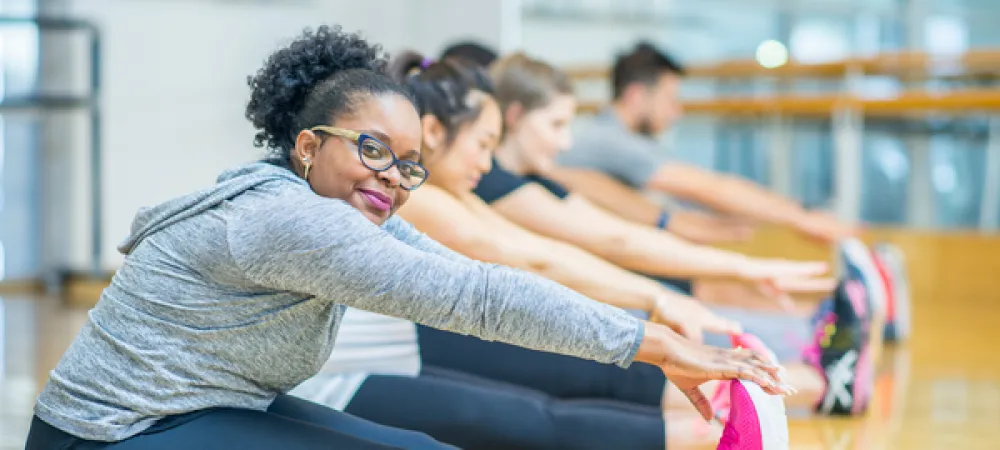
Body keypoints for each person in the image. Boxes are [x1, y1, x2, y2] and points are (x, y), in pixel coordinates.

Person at [24, 26, 787, 450]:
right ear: (306, 146)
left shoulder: (348, 210)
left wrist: (649, 335)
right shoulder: (292, 219)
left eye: (409, 164)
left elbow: (466, 273)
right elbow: (476, 294)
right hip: (108, 434)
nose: (391, 176)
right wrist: (656, 342)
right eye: (370, 149)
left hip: (202, 408)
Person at [290, 52, 727, 450]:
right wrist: (656, 306)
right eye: (483, 145)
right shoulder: (412, 198)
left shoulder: (426, 194)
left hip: (393, 355)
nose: (487, 163)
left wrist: (655, 310)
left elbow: (538, 254)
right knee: (536, 415)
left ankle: (729, 424)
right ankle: (728, 428)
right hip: (333, 380)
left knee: (547, 404)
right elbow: (530, 260)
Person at [479, 51, 876, 418]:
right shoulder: (581, 151)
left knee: (670, 299)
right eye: (556, 125)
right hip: (541, 316)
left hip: (584, 285)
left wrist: (716, 253)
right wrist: (753, 257)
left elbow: (616, 230)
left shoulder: (541, 174)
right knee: (657, 312)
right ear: (514, 116)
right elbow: (616, 238)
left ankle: (812, 358)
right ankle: (814, 372)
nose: (566, 141)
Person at [553, 42, 859, 245]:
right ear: (635, 95)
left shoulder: (622, 139)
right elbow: (708, 187)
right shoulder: (610, 142)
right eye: (670, 100)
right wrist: (801, 220)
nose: (678, 111)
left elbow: (705, 191)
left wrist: (794, 210)